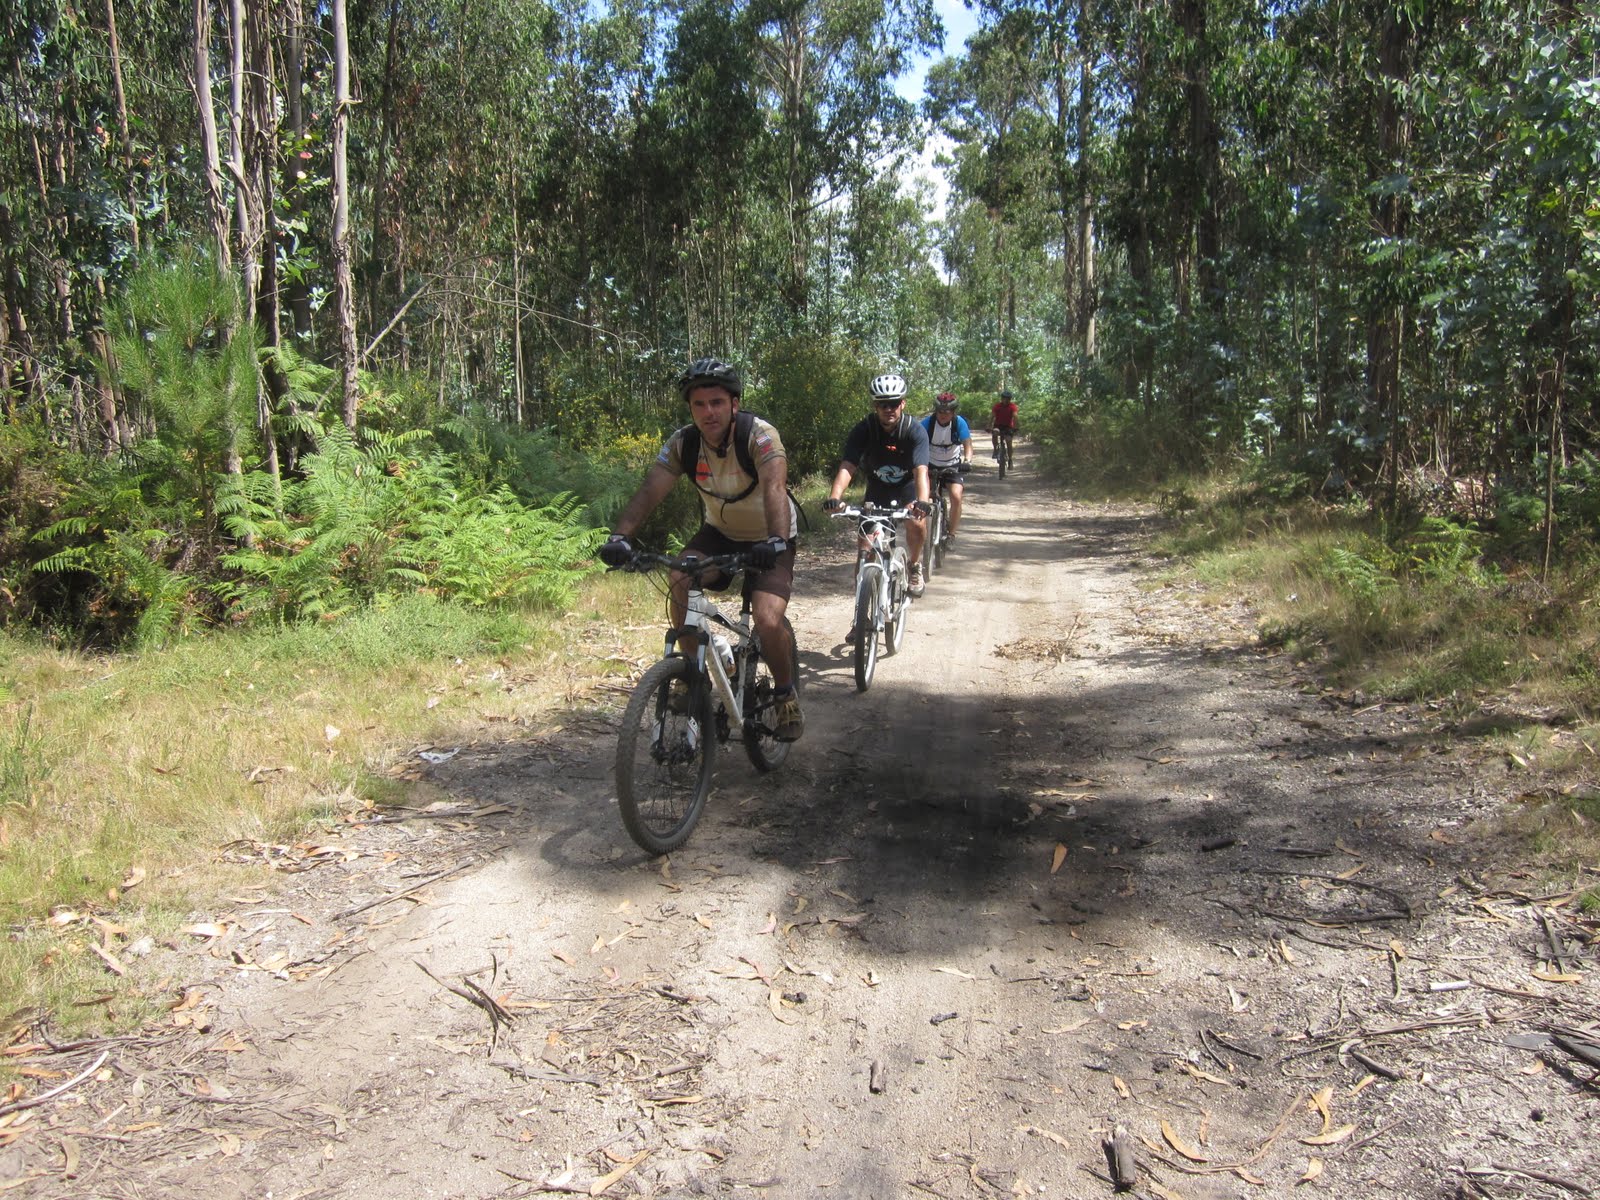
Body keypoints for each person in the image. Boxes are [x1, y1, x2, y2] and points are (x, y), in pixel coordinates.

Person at [599, 358, 803, 741]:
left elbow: (775, 487)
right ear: (690, 409)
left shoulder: (760, 436)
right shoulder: (684, 444)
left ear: (734, 404)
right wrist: (620, 537)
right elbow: (650, 490)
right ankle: (693, 677)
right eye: (699, 404)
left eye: (717, 402)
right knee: (680, 576)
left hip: (770, 535)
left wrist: (776, 540)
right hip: (719, 533)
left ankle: (784, 693)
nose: (709, 412)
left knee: (767, 619)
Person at [821, 373, 932, 629]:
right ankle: (860, 618)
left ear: (903, 403)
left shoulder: (914, 431)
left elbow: (921, 471)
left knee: (917, 522)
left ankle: (914, 565)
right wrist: (835, 497)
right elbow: (848, 466)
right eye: (883, 404)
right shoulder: (864, 429)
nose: (888, 409)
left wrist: (922, 502)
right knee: (865, 551)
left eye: (893, 403)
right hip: (877, 490)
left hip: (906, 489)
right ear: (875, 406)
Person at [921, 391, 972, 545]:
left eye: (947, 412)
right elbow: (915, 444)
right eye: (940, 411)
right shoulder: (927, 424)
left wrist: (967, 460)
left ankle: (951, 534)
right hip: (930, 464)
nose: (943, 415)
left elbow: (967, 444)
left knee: (956, 496)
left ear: (953, 412)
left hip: (952, 465)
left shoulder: (959, 423)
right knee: (924, 497)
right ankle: (924, 530)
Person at [991, 388, 1019, 463]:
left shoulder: (1012, 406)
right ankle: (995, 449)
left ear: (1010, 399)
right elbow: (992, 417)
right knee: (995, 433)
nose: (1006, 400)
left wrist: (1016, 427)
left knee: (1009, 442)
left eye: (1008, 399)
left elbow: (1015, 417)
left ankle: (1010, 459)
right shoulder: (997, 406)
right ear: (1002, 399)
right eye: (1004, 398)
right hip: (998, 426)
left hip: (1008, 427)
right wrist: (988, 426)